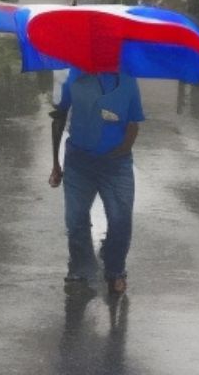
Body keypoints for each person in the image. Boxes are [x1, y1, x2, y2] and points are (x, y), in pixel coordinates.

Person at [48, 69, 145, 296]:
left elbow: (134, 123)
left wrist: (122, 149)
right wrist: (55, 164)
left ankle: (115, 269)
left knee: (120, 219)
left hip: (116, 164)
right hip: (79, 161)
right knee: (76, 218)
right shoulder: (75, 75)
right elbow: (59, 116)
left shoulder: (128, 80)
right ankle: (81, 267)